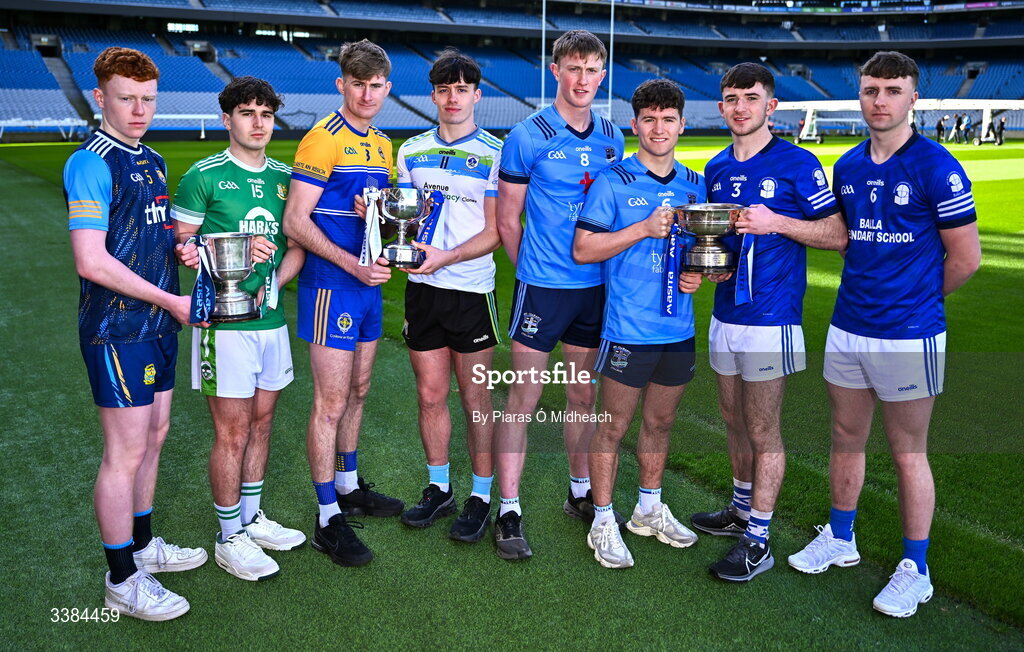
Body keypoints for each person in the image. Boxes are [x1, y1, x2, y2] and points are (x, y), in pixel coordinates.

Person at [787, 51, 981, 618]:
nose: (880, 100)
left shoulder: (937, 166)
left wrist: (915, 299)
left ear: (913, 97)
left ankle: (914, 569)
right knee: (845, 436)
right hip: (849, 325)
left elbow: (965, 259)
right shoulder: (846, 165)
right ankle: (840, 538)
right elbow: (846, 238)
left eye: (892, 90)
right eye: (871, 90)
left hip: (908, 332)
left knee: (907, 453)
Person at [686, 62, 846, 582]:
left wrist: (777, 222)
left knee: (762, 428)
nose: (739, 107)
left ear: (770, 106)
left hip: (771, 318)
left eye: (750, 98)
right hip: (726, 312)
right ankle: (738, 509)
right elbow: (726, 242)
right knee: (731, 419)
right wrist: (712, 266)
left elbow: (837, 234)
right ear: (721, 105)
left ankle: (759, 540)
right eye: (731, 98)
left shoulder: (799, 163)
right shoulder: (716, 167)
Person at [64, 46, 207, 620]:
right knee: (123, 452)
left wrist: (181, 249)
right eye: (127, 98)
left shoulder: (151, 159)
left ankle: (144, 547)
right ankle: (121, 580)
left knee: (154, 437)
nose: (139, 109)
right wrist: (171, 298)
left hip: (157, 323)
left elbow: (148, 235)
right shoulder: (91, 162)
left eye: (148, 99)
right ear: (101, 98)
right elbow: (91, 261)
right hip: (116, 327)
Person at [494, 29, 625, 560]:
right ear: (556, 71)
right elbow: (507, 220)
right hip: (543, 291)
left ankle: (579, 493)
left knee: (582, 397)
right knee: (522, 399)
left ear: (602, 75)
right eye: (574, 68)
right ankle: (507, 509)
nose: (583, 79)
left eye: (593, 69)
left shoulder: (614, 135)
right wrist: (533, 271)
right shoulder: (527, 135)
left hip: (594, 292)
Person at [171, 77, 307, 581]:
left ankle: (251, 519)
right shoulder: (203, 176)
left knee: (263, 423)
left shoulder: (282, 177)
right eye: (247, 113)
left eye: (266, 114)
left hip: (270, 322)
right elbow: (180, 248)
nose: (258, 123)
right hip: (222, 326)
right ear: (227, 118)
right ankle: (229, 536)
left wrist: (271, 283)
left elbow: (297, 244)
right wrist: (226, 251)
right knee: (231, 431)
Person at [572, 79, 704, 569]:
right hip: (628, 328)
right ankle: (602, 519)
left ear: (682, 125)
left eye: (668, 119)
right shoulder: (613, 180)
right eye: (649, 119)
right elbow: (583, 249)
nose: (659, 128)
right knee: (613, 426)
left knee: (661, 421)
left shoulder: (695, 183)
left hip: (678, 329)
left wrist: (697, 274)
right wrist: (643, 228)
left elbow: (700, 250)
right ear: (635, 125)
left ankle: (648, 508)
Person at [282, 39, 404, 568]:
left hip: (368, 284)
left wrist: (372, 218)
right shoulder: (322, 139)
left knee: (358, 389)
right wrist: (352, 264)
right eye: (359, 84)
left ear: (388, 87)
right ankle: (327, 517)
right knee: (329, 403)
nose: (368, 94)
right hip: (333, 285)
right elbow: (295, 222)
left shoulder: (381, 144)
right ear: (342, 85)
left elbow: (373, 216)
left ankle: (349, 485)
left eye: (377, 85)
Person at [392, 50, 502, 542]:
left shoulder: (495, 154)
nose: (453, 97)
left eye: (462, 89)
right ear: (433, 95)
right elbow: (404, 220)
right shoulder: (410, 151)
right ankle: (440, 488)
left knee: (476, 399)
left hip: (471, 290)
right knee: (431, 396)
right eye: (444, 89)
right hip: (422, 291)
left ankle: (481, 495)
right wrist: (379, 217)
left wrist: (447, 257)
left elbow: (499, 231)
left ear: (477, 95)